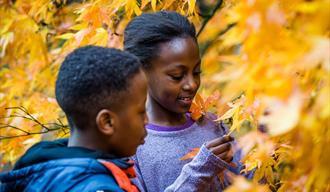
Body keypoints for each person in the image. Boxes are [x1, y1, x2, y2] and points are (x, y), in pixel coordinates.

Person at [124, 11, 250, 192]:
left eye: (197, 72)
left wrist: (265, 135)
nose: (192, 84)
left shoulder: (212, 124)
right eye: (177, 76)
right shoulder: (130, 146)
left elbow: (251, 183)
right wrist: (198, 172)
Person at [0, 46, 148, 192]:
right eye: (141, 112)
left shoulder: (41, 173)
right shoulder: (98, 188)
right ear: (107, 122)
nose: (147, 120)